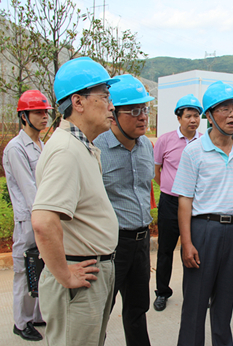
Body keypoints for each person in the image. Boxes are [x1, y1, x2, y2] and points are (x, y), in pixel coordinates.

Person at [31, 57, 119, 346]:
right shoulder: (66, 150)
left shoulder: (81, 146)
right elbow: (44, 222)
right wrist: (65, 275)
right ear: (78, 102)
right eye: (105, 96)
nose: (111, 105)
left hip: (93, 272)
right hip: (79, 278)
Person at [172, 81, 233, 346]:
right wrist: (186, 243)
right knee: (195, 304)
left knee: (225, 301)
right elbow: (185, 201)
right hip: (204, 232)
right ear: (209, 116)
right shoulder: (193, 151)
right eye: (225, 108)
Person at [94, 74, 155, 345]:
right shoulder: (96, 150)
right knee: (99, 313)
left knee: (137, 310)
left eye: (145, 109)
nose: (142, 117)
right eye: (134, 110)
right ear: (114, 114)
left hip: (142, 244)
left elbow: (145, 191)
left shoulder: (146, 148)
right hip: (110, 246)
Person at [3, 90, 51, 341]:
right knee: (24, 270)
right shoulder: (16, 148)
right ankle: (21, 323)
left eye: (45, 112)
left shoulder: (40, 144)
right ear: (24, 116)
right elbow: (29, 189)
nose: (44, 117)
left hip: (40, 216)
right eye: (38, 113)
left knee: (40, 267)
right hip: (28, 220)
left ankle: (36, 316)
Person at [153, 94, 203, 312]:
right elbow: (156, 171)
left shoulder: (204, 141)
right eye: (189, 116)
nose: (193, 120)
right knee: (165, 250)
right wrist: (170, 186)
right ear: (179, 118)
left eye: (197, 116)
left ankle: (195, 293)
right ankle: (162, 292)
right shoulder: (165, 140)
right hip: (170, 203)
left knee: (193, 249)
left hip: (196, 204)